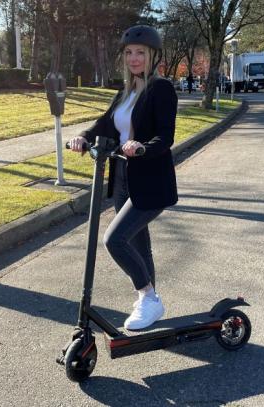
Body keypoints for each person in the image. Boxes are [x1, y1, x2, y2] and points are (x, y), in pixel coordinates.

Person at [68, 25, 178, 331]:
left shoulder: (161, 89)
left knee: (115, 240)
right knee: (137, 242)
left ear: (152, 56)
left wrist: (142, 147)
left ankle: (147, 297)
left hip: (150, 181)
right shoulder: (125, 91)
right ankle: (150, 301)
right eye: (129, 53)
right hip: (122, 179)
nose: (133, 58)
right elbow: (105, 125)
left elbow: (165, 137)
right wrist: (83, 138)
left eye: (140, 53)